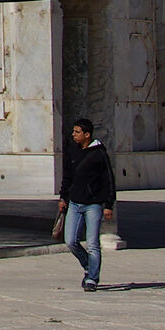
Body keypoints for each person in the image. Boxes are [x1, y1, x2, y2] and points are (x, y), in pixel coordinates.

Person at [56, 118, 115, 291]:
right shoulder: (73, 152)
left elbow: (109, 180)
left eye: (77, 132)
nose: (73, 135)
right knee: (71, 241)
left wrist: (108, 205)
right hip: (74, 203)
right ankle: (88, 266)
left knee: (92, 243)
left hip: (93, 205)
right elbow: (67, 178)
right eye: (73, 132)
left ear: (87, 134)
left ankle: (92, 279)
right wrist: (63, 198)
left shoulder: (99, 154)